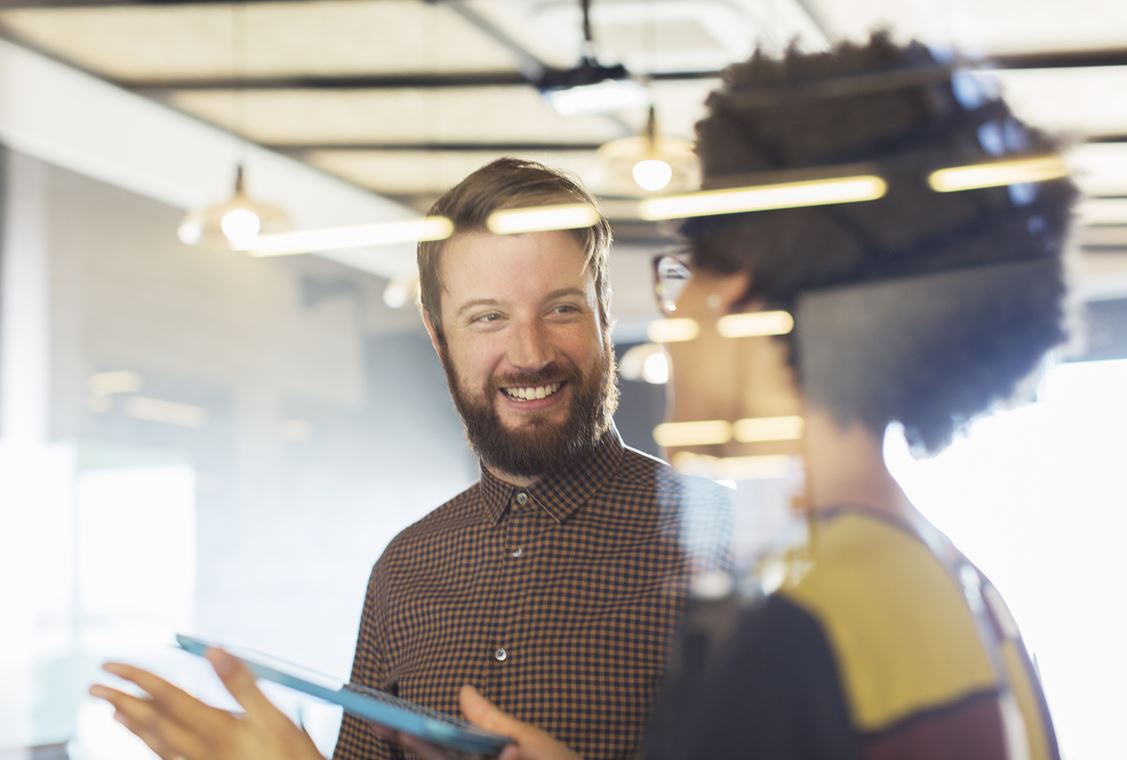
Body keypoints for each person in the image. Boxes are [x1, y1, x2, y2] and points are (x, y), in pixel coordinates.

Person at [399, 33, 1076, 760]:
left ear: (742, 297)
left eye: (685, 275)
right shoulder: (952, 583)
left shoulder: (792, 622)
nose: (674, 316)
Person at [90, 158, 728, 760]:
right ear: (437, 333)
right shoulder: (404, 570)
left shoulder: (725, 544)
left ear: (605, 312)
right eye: (488, 317)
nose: (530, 353)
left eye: (561, 309)